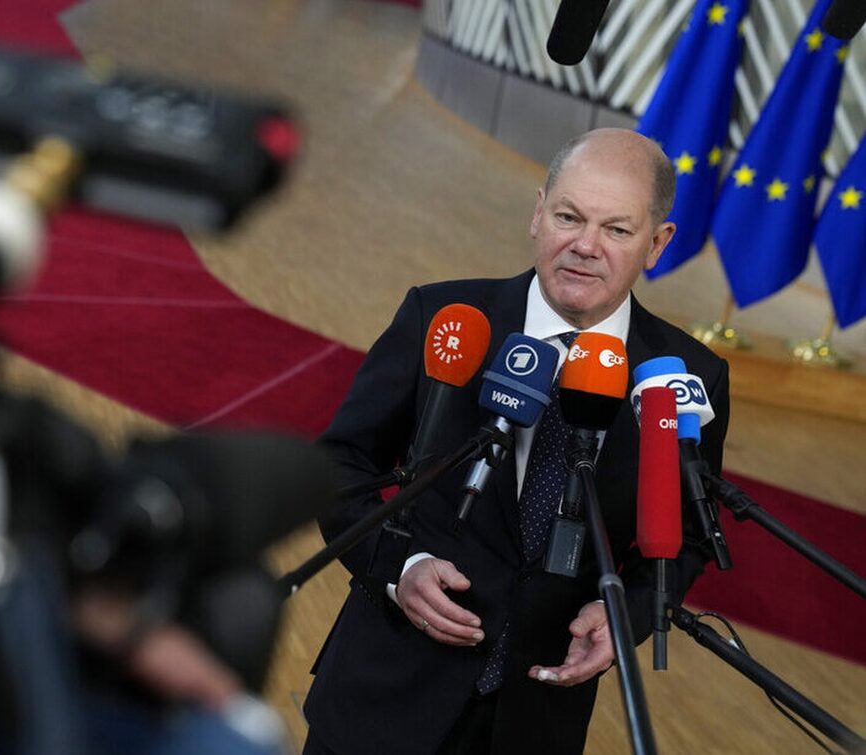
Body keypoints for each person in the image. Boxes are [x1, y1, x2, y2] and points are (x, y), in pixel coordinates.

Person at [301, 129, 730, 755]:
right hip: (384, 698)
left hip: (535, 719)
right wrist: (399, 568)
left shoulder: (686, 377)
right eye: (568, 217)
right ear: (538, 213)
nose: (585, 245)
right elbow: (339, 466)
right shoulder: (444, 318)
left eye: (616, 229)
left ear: (657, 244)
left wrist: (629, 615)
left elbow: (687, 536)